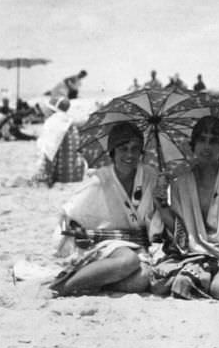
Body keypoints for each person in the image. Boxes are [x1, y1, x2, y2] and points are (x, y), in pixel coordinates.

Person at [150, 115, 219, 299]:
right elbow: (183, 237)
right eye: (202, 140)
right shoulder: (181, 184)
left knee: (217, 289)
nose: (207, 147)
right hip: (198, 255)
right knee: (157, 282)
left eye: (213, 141)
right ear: (193, 144)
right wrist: (161, 205)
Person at [48, 122, 163, 296]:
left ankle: (94, 282)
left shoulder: (150, 176)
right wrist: (76, 235)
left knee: (142, 278)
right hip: (100, 243)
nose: (130, 155)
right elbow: (66, 216)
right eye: (123, 149)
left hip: (138, 244)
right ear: (113, 152)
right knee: (128, 260)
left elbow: (156, 220)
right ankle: (65, 286)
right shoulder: (100, 181)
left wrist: (162, 195)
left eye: (135, 149)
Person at [31, 96, 85, 186]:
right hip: (77, 174)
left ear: (52, 110)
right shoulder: (68, 121)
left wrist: (43, 176)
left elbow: (48, 152)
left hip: (62, 176)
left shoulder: (54, 122)